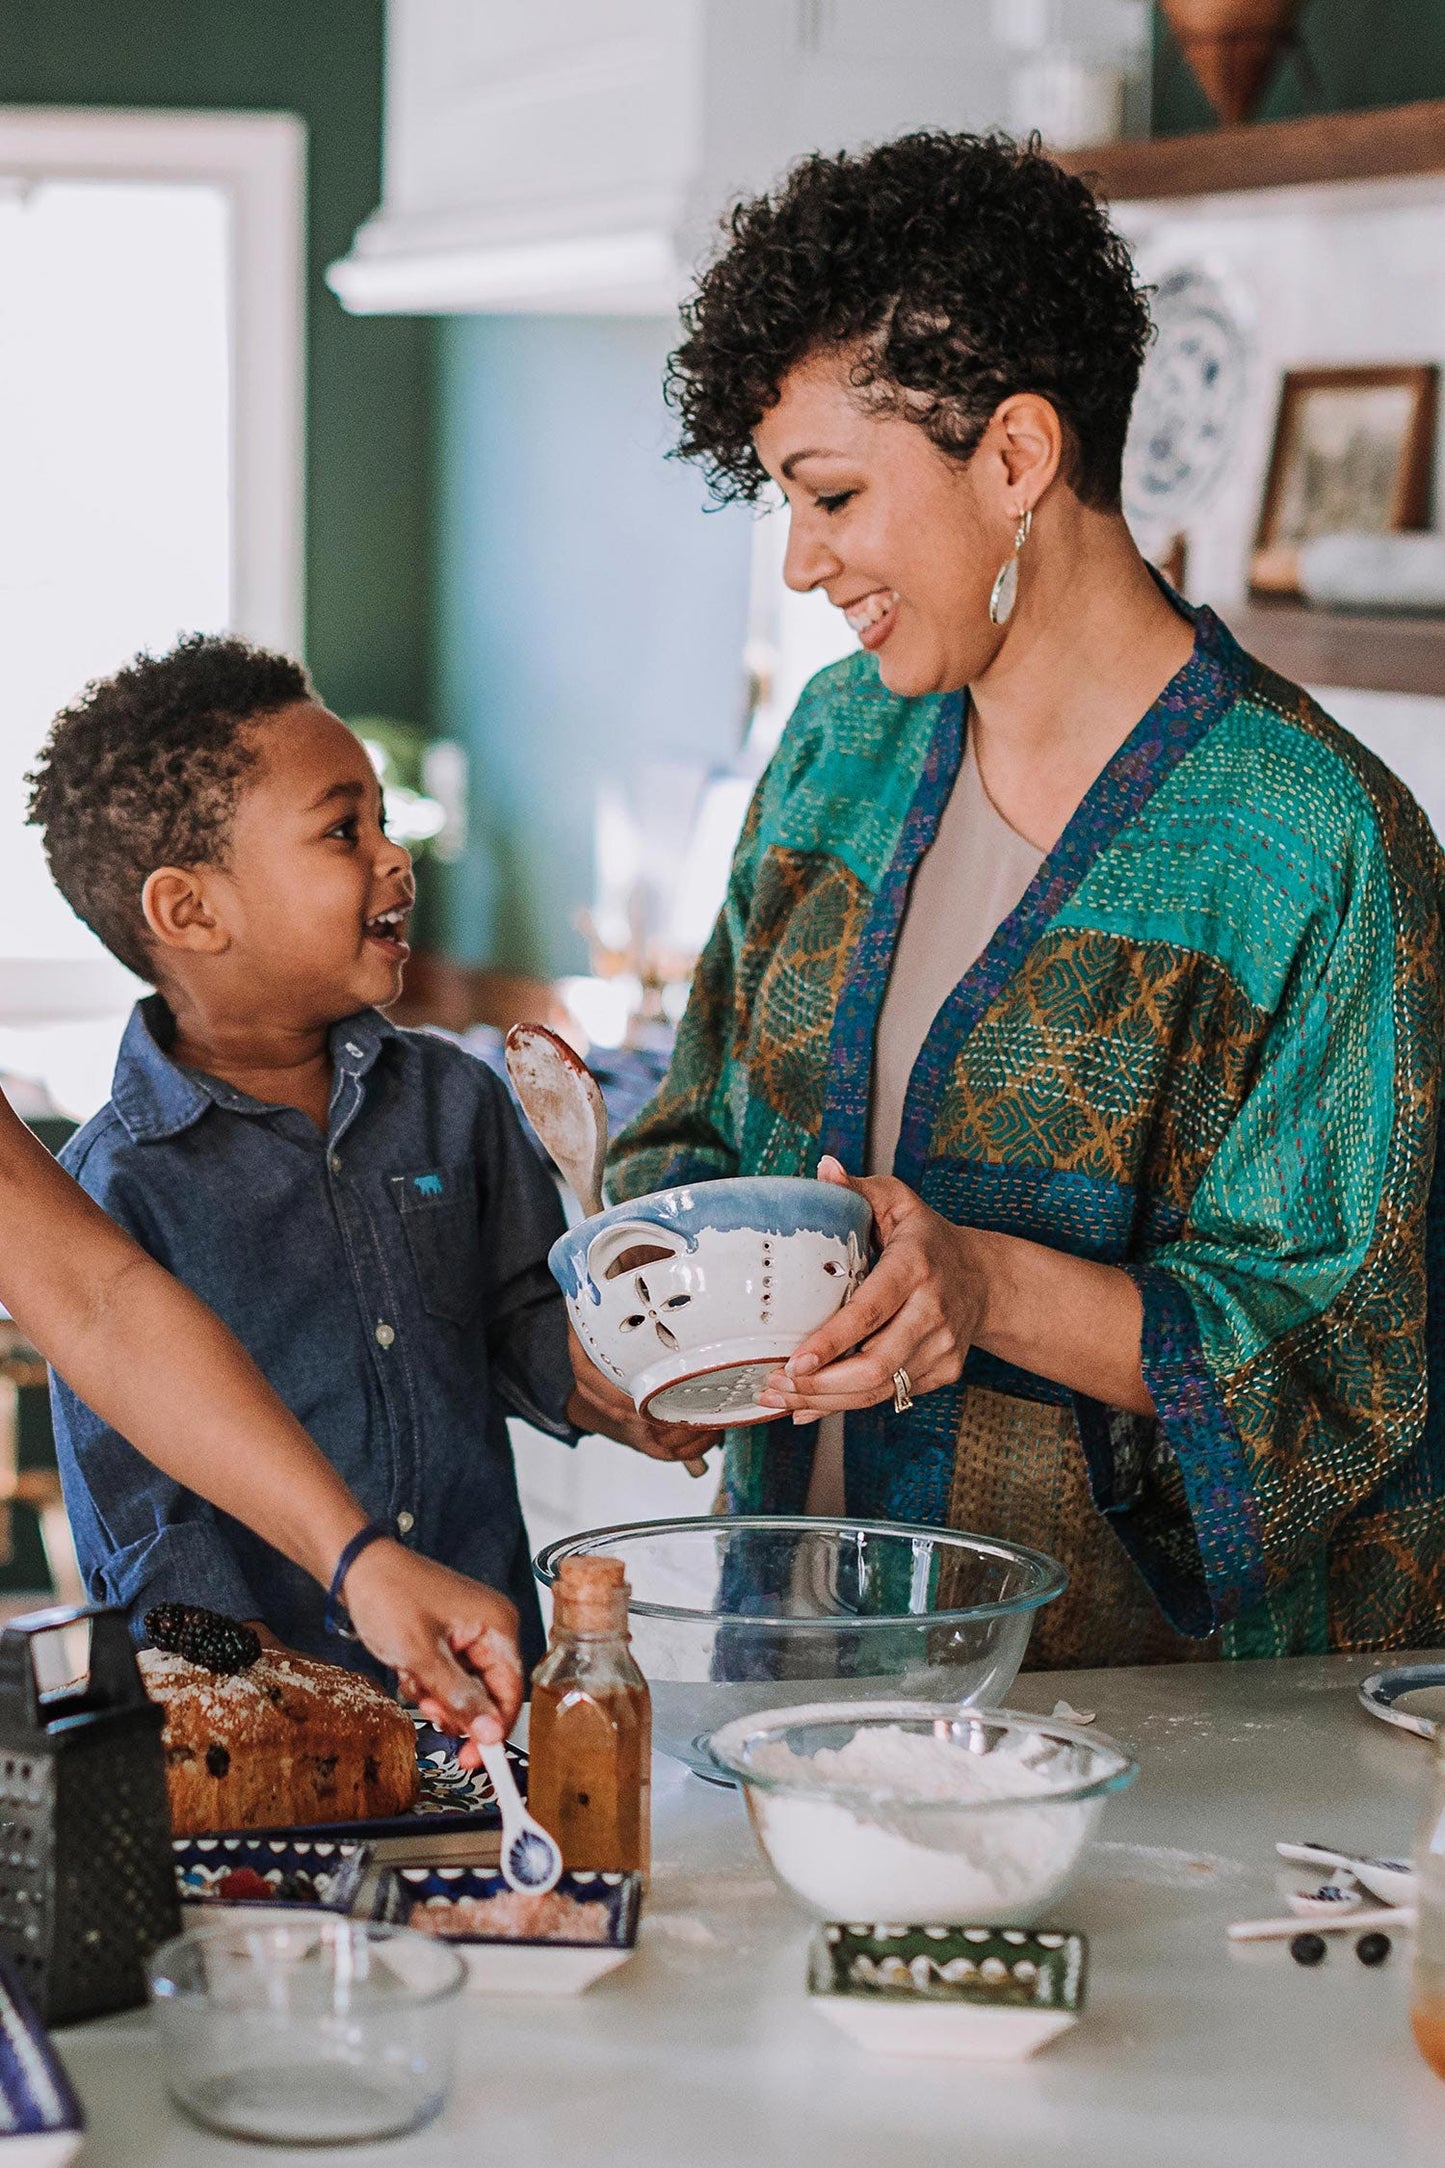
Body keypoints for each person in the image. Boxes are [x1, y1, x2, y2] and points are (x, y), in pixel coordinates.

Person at [603, 131, 1445, 1666]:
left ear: (1015, 459)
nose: (802, 564)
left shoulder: (1310, 847)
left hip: (1110, 1739)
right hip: (783, 1668)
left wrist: (982, 1286)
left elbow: (1344, 1364)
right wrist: (644, 1297)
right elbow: (705, 1116)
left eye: (834, 495)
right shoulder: (838, 748)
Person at [27, 635, 681, 1699]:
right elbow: (145, 1521)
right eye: (343, 829)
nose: (393, 857)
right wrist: (257, 1683)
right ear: (190, 910)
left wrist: (615, 1386)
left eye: (384, 819)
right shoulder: (117, 1186)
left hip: (478, 1678)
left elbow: (518, 1318)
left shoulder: (454, 1101)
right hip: (265, 1722)